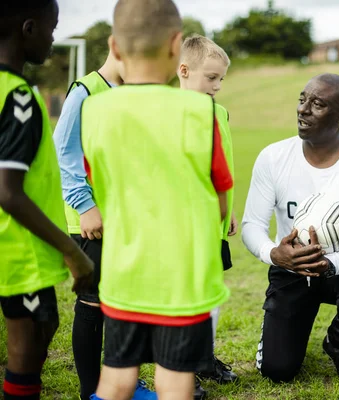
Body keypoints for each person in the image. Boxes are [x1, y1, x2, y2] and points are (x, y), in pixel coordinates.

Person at [82, 0, 232, 399]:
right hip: (183, 277)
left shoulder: (94, 111)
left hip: (123, 272)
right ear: (175, 45)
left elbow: (99, 182)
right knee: (173, 379)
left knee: (115, 378)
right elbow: (220, 197)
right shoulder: (201, 112)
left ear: (114, 47)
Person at [242, 73, 339, 385]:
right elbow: (251, 226)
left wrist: (330, 263)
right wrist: (274, 254)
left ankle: (338, 345)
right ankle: (275, 339)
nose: (303, 109)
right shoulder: (273, 157)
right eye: (302, 99)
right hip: (290, 269)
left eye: (318, 104)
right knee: (278, 371)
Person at [0, 1, 94, 398]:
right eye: (52, 28)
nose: (54, 37)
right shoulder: (18, 98)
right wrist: (72, 251)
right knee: (29, 340)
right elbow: (8, 191)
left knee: (45, 324)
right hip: (20, 253)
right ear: (28, 28)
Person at [53, 50, 157, 399]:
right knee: (93, 303)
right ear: (118, 46)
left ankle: (122, 384)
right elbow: (64, 152)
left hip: (128, 220)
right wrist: (85, 207)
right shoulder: (85, 90)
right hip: (92, 222)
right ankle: (91, 391)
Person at [178, 34, 238, 399]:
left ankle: (203, 358)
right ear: (184, 71)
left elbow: (224, 165)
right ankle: (183, 370)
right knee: (188, 299)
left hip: (213, 223)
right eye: (210, 78)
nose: (216, 87)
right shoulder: (171, 114)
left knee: (211, 297)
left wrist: (227, 211)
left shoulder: (219, 112)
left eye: (220, 80)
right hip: (186, 228)